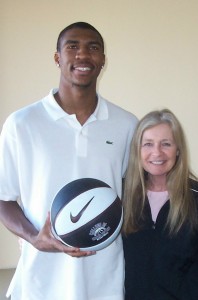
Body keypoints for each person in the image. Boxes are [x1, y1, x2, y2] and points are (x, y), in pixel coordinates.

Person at [0, 22, 138, 300]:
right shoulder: (21, 124)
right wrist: (35, 237)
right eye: (72, 46)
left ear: (103, 61)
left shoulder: (126, 124)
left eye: (93, 48)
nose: (83, 55)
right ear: (57, 58)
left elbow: (136, 195)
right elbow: (3, 199)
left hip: (104, 280)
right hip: (41, 282)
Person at [122, 109, 198, 300]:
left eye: (166, 144)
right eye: (148, 144)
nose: (157, 152)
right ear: (137, 150)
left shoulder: (196, 198)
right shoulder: (120, 196)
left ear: (178, 149)